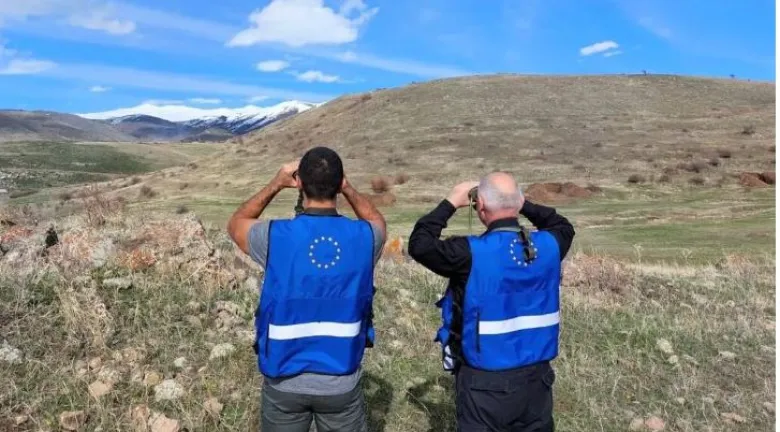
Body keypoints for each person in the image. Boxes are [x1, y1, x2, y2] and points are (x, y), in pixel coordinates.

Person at [227, 146, 387, 432]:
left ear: (299, 182)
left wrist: (276, 184)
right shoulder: (366, 238)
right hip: (341, 379)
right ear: (339, 184)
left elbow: (236, 224)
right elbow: (378, 222)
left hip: (283, 378)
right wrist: (348, 189)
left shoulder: (274, 236)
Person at [408, 172, 575, 432]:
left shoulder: (470, 253)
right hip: (537, 379)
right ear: (518, 202)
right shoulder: (550, 245)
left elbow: (420, 244)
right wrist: (519, 203)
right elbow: (562, 225)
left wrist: (451, 201)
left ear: (481, 205)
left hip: (485, 382)